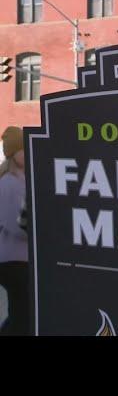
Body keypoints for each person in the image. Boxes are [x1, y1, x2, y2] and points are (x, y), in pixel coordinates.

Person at [0, 126, 29, 336]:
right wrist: (38, 233)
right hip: (13, 262)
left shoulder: (22, 181)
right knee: (22, 314)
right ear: (13, 154)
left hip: (20, 260)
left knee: (21, 312)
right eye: (23, 149)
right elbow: (14, 226)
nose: (27, 153)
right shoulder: (9, 184)